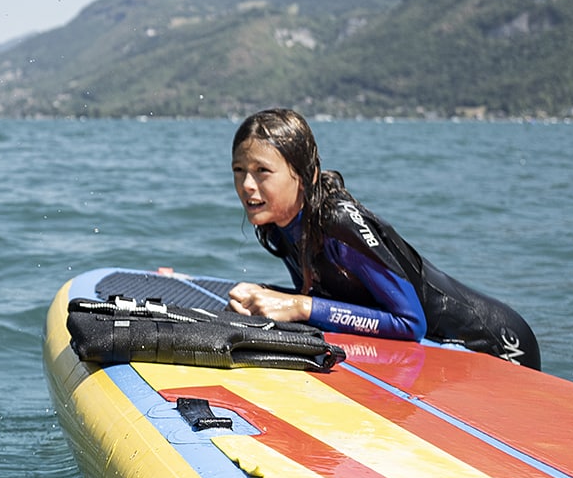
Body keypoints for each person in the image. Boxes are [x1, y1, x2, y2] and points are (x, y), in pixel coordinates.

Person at [226, 107, 541, 369]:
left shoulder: (339, 223)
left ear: (305, 175)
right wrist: (267, 296)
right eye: (239, 170)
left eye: (262, 171)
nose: (247, 185)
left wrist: (299, 306)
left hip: (497, 345)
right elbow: (332, 299)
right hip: (441, 351)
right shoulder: (280, 225)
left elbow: (409, 322)